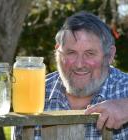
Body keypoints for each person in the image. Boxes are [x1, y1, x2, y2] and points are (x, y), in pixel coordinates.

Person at [13, 11, 128, 140]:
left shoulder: (125, 89)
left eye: (90, 53)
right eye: (71, 52)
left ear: (110, 55)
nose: (79, 64)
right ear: (57, 51)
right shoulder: (32, 94)